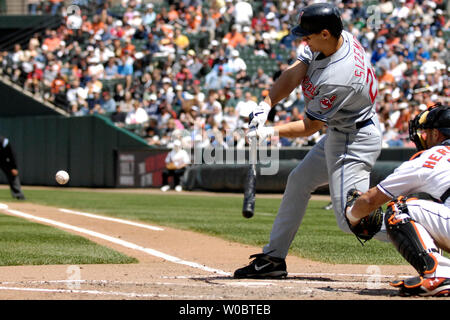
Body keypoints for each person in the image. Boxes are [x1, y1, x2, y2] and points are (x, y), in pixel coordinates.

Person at [234, 3, 385, 279]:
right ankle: (273, 259)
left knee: (354, 219)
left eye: (308, 35)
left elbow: (310, 126)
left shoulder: (340, 77)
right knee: (299, 181)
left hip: (354, 140)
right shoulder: (337, 39)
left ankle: (422, 232)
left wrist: (268, 132)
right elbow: (295, 72)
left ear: (325, 33)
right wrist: (266, 103)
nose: (304, 39)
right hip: (341, 132)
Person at [345, 104, 450, 297]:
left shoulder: (430, 157)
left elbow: (370, 200)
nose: (423, 136)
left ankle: (440, 274)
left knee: (400, 208)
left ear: (436, 134)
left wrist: (352, 216)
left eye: (426, 132)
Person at [0, 136, 25, 200]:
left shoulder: (4, 141)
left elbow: (12, 154)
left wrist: (14, 167)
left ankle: (19, 194)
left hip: (4, 160)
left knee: (13, 175)